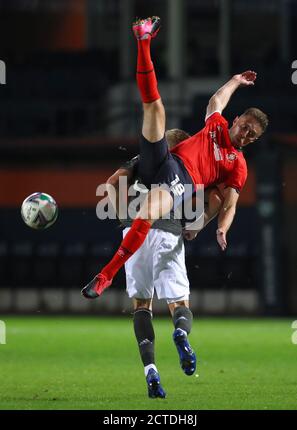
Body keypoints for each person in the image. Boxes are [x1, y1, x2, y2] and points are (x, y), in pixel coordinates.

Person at [82, 16, 268, 306]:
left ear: (254, 141)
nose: (245, 134)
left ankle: (105, 275)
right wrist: (234, 81)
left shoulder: (237, 164)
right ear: (236, 120)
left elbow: (229, 202)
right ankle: (144, 40)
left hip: (181, 178)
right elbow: (217, 100)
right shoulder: (216, 126)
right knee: (155, 108)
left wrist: (221, 228)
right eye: (244, 126)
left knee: (146, 214)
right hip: (165, 160)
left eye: (251, 134)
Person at [105, 141, 223, 398]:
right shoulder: (188, 165)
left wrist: (121, 217)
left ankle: (151, 370)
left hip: (134, 231)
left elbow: (112, 182)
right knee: (179, 302)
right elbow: (215, 197)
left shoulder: (141, 161)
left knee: (141, 306)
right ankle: (180, 332)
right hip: (168, 232)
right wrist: (198, 225)